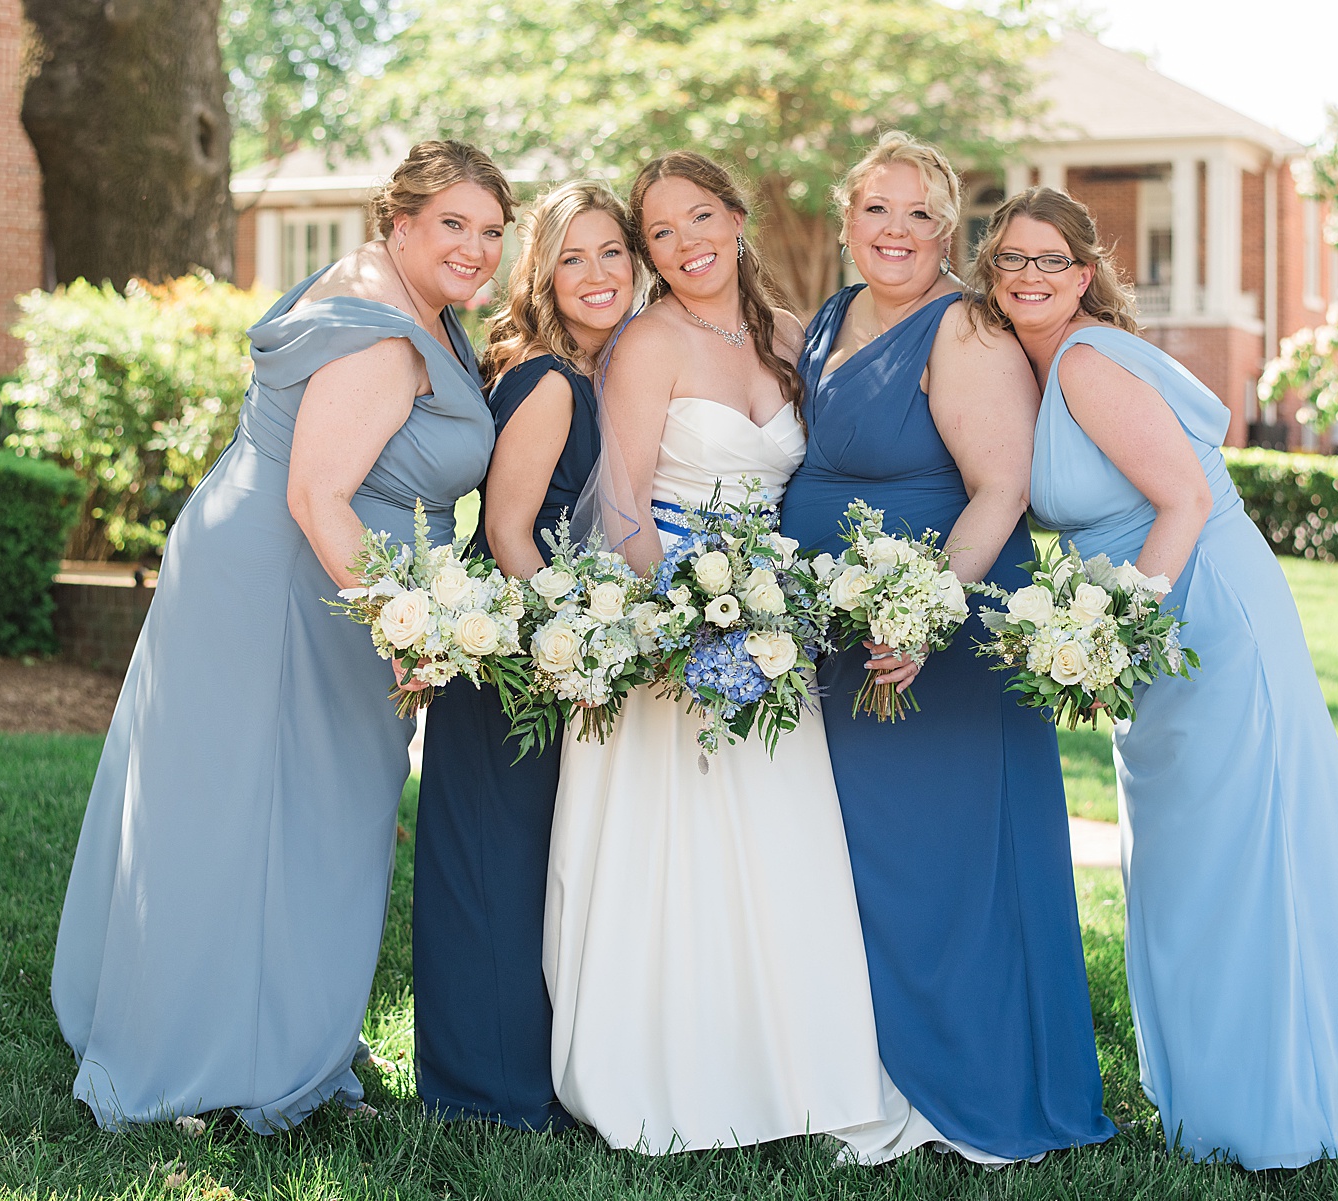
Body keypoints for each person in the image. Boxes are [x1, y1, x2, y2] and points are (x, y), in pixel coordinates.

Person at [50, 140, 512, 1133]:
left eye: (491, 232)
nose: (476, 249)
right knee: (243, 817)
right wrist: (402, 621)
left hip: (298, 576)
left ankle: (272, 1031)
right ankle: (198, 1055)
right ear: (400, 221)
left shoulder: (399, 296)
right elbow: (317, 492)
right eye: (454, 225)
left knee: (286, 815)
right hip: (292, 586)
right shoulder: (383, 334)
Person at [979, 185, 1338, 1168]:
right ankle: (1206, 1100)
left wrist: (1113, 632)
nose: (1027, 276)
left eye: (1048, 259)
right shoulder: (1041, 362)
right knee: (1187, 864)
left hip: (1201, 609)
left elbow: (1182, 498)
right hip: (1154, 616)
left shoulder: (1089, 362)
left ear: (1085, 274)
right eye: (1010, 259)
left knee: (1237, 857)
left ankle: (1263, 1113)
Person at [543, 152, 942, 1161]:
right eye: (662, 234)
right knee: (676, 857)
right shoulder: (645, 345)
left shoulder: (790, 337)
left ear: (736, 217)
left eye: (701, 219)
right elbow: (624, 499)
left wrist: (773, 609)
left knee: (782, 847)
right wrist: (683, 620)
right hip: (678, 626)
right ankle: (671, 1068)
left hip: (777, 626)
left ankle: (799, 1070)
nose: (686, 246)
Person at [778, 132, 1114, 1162]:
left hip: (936, 633)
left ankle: (964, 1095)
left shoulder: (965, 328)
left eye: (921, 213)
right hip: (849, 637)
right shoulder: (829, 318)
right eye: (877, 208)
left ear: (948, 230)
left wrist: (920, 618)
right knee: (869, 865)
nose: (897, 230)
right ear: (846, 219)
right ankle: (874, 1079)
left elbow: (1002, 490)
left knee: (945, 862)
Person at [412, 181, 640, 1130]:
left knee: (530, 863)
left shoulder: (599, 373)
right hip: (511, 646)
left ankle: (521, 1073)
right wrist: (568, 642)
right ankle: (486, 1093)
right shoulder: (549, 379)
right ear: (543, 272)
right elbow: (508, 530)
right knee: (492, 865)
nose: (596, 275)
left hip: (547, 642)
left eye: (612, 254)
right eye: (572, 256)